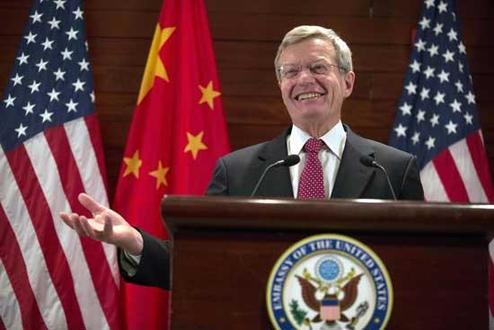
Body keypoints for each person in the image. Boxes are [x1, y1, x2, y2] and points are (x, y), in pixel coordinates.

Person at [60, 25, 424, 290]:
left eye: (318, 67)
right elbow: (200, 264)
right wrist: (134, 242)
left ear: (347, 82)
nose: (303, 79)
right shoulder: (238, 171)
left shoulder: (393, 169)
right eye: (290, 72)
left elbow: (422, 267)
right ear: (281, 86)